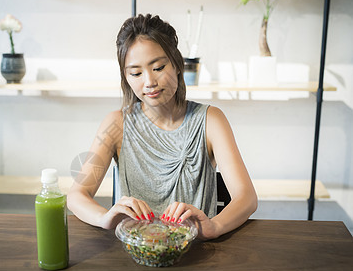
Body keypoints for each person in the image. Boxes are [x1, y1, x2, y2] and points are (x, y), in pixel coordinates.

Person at [67, 14, 257, 240]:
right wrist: (104, 217)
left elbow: (246, 197)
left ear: (177, 65)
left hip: (195, 250)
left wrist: (214, 227)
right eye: (136, 73)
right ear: (126, 78)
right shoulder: (117, 124)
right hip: (137, 251)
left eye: (158, 67)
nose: (149, 82)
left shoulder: (211, 120)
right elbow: (77, 195)